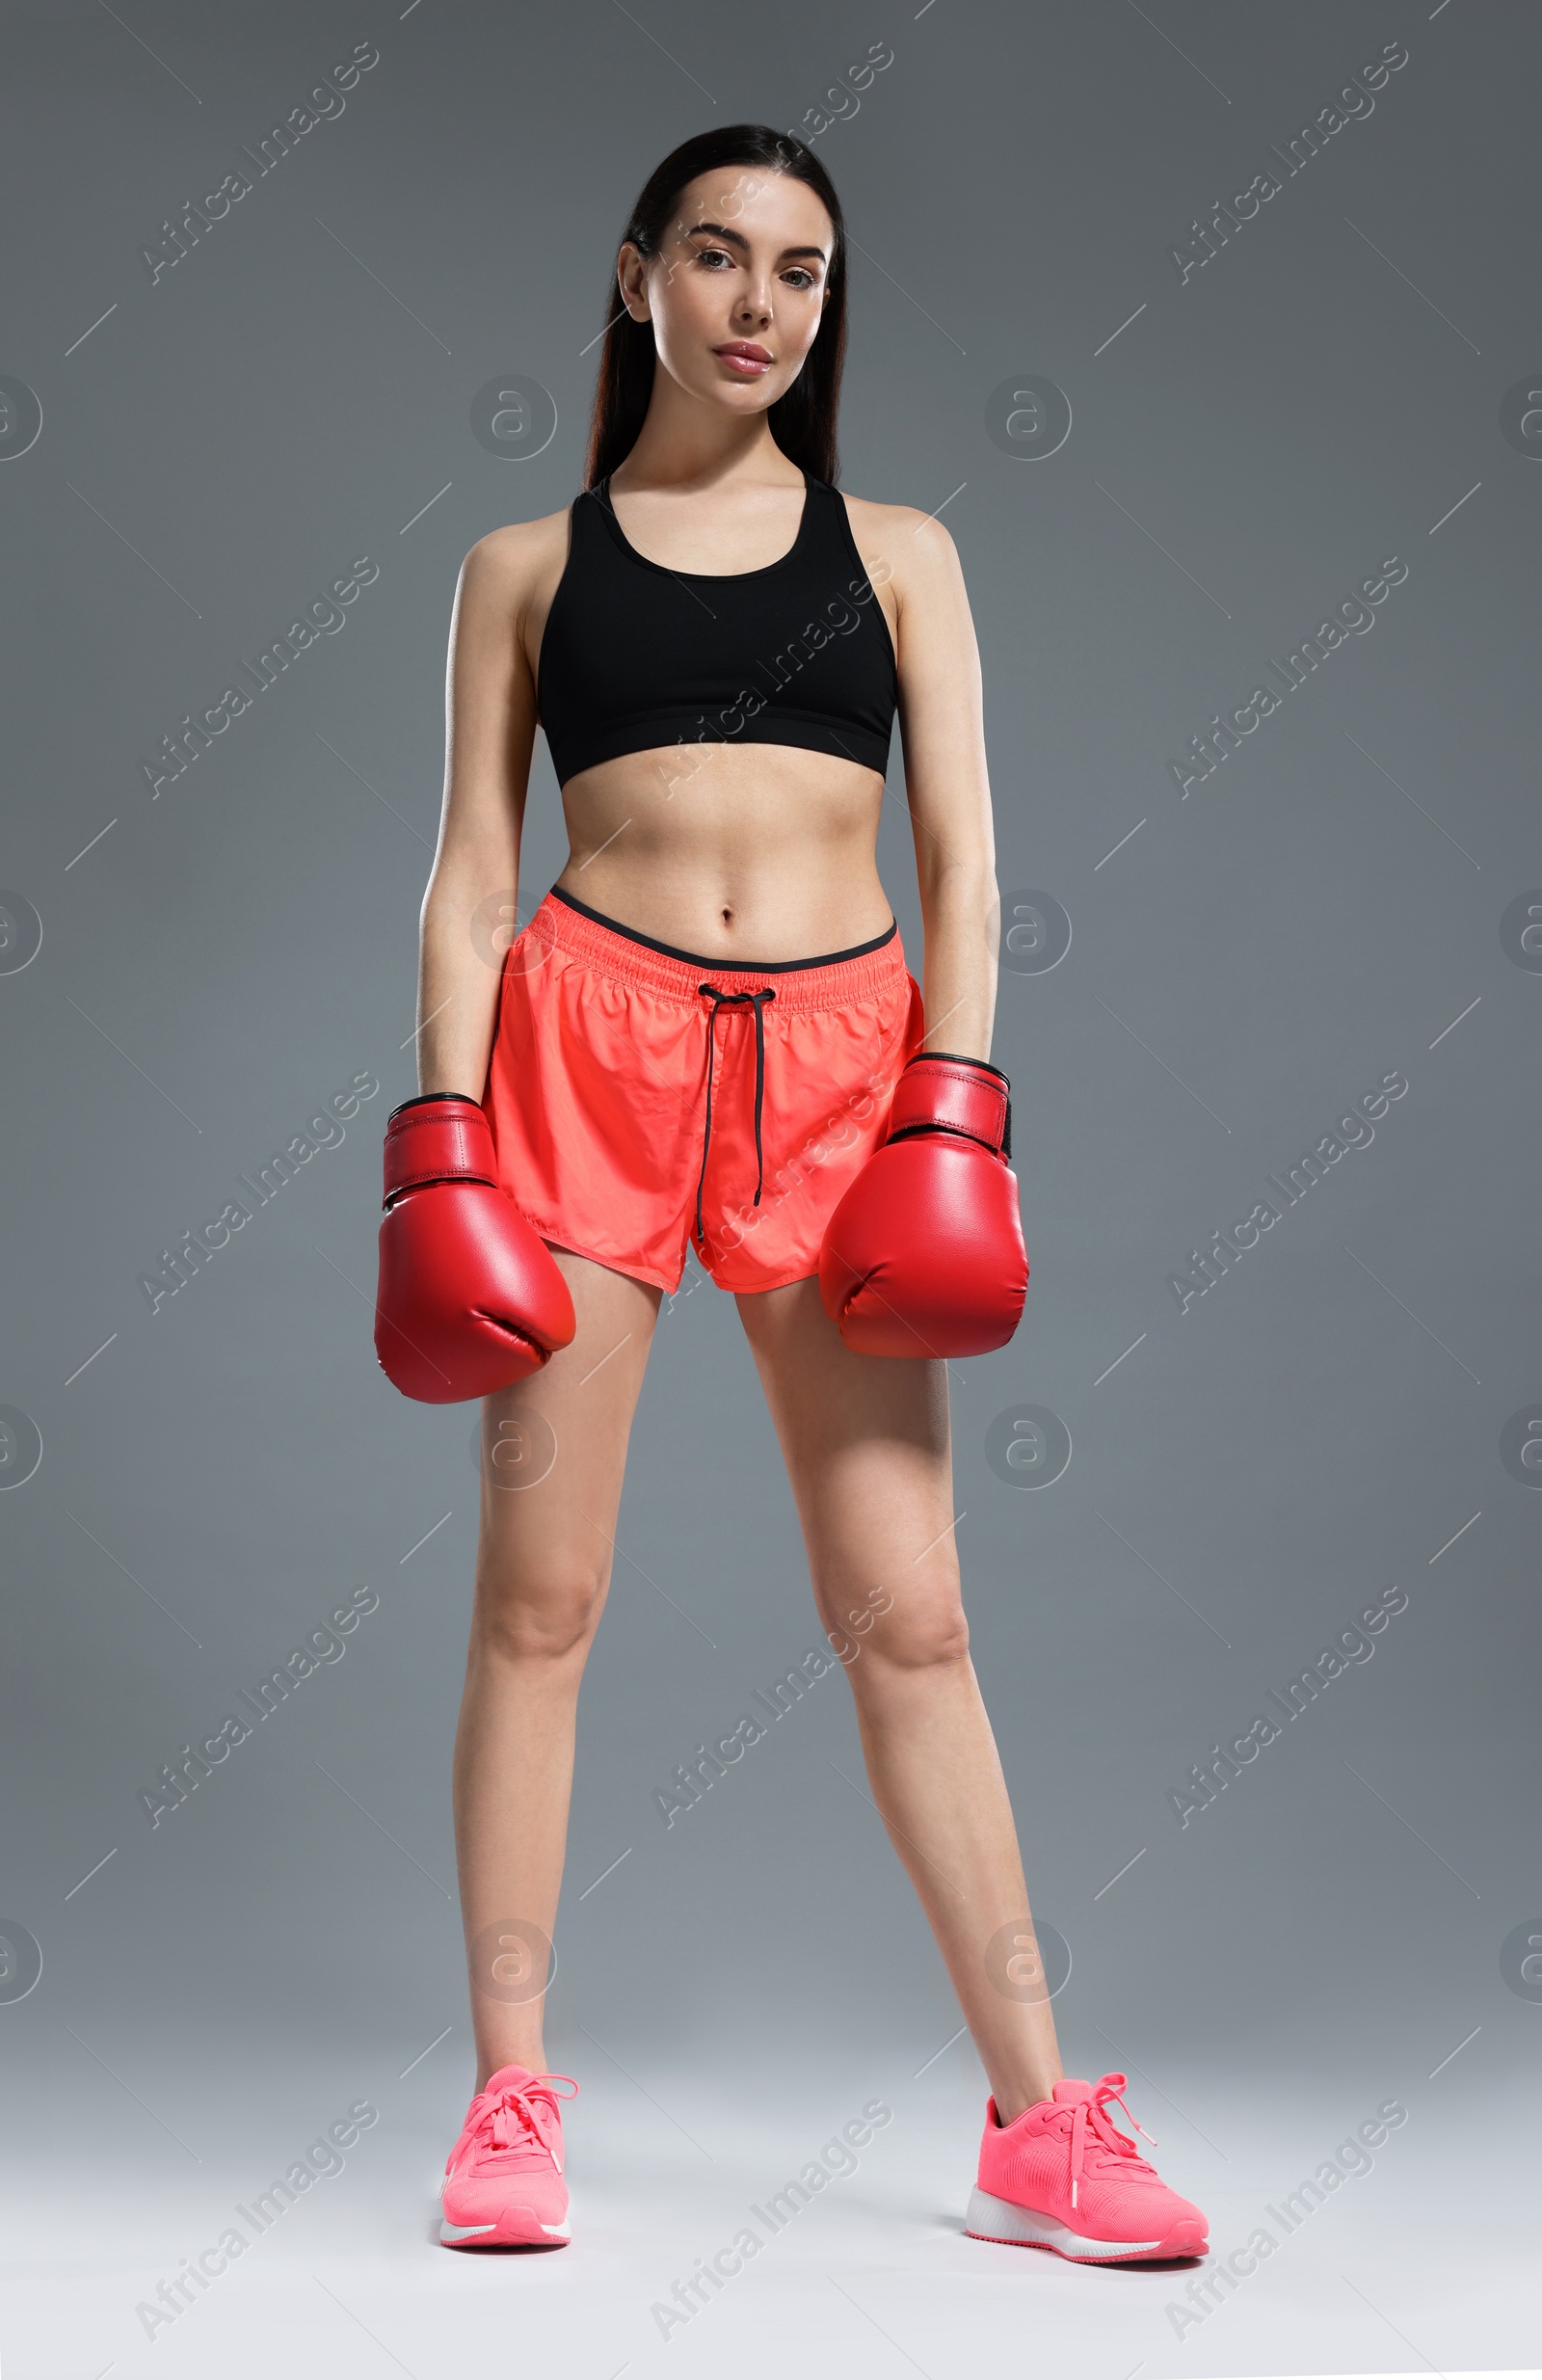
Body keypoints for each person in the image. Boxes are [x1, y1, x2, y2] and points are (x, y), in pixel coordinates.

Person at [373, 123, 1208, 2267]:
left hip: (843, 1075)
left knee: (909, 1614)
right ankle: (505, 2093)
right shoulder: (523, 565)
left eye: (805, 272)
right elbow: (472, 878)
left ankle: (1038, 2119)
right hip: (582, 1050)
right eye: (721, 258)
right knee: (539, 1603)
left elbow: (967, 865)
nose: (760, 303)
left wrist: (952, 1093)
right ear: (636, 274)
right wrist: (438, 1135)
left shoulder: (904, 548)